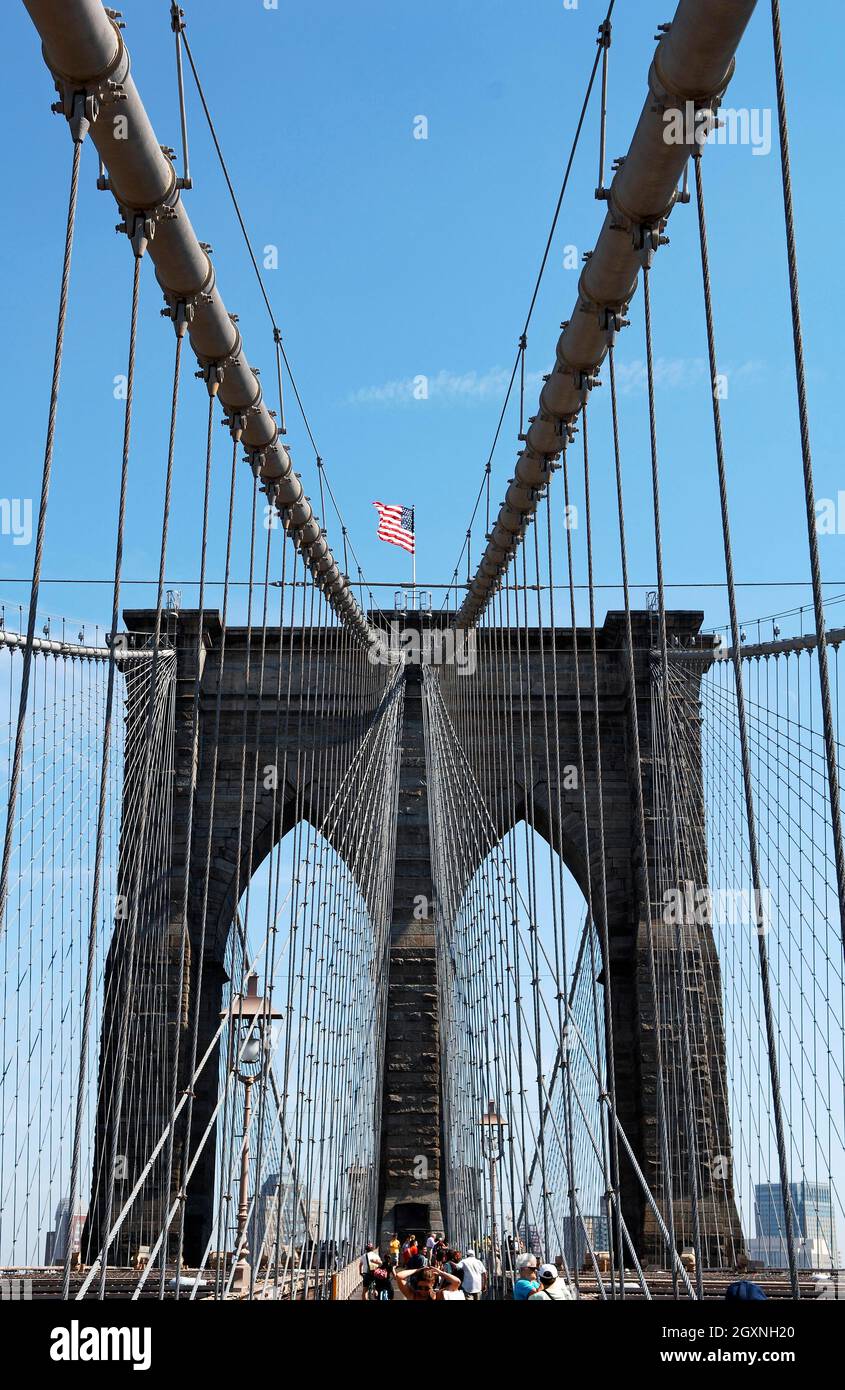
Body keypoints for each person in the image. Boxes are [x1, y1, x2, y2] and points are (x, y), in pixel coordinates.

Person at [393, 1265, 463, 1301]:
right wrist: (417, 1270)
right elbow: (399, 1276)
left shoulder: (438, 1295)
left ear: (433, 1284)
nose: (423, 1291)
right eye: (420, 1287)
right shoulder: (413, 1295)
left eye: (427, 1288)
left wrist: (440, 1273)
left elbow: (457, 1282)